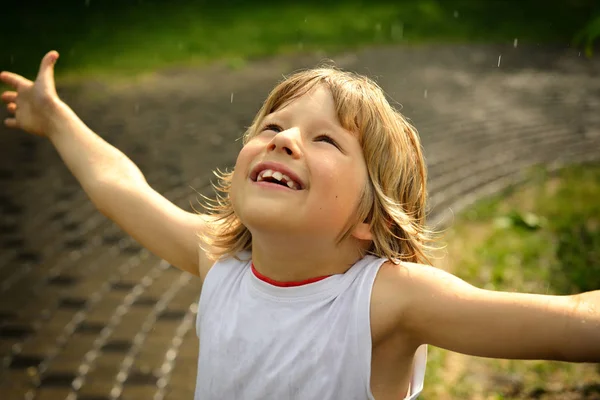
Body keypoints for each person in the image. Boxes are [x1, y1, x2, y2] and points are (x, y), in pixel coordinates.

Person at [1, 51, 598, 400]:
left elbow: (569, 325)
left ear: (371, 215)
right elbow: (119, 189)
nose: (284, 139)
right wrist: (57, 121)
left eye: (325, 140)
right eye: (272, 127)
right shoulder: (221, 263)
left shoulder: (387, 301)